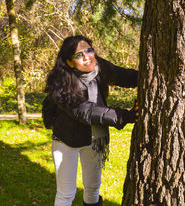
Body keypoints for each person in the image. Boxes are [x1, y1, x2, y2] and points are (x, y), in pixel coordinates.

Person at [42, 35, 139, 206]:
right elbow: (86, 111)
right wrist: (124, 116)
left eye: (89, 50)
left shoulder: (100, 67)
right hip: (66, 141)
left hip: (94, 139)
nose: (87, 56)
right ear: (69, 62)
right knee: (66, 193)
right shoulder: (60, 82)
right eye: (79, 55)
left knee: (93, 188)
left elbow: (125, 76)